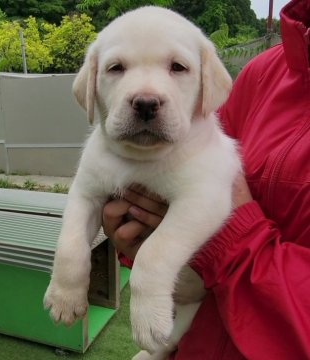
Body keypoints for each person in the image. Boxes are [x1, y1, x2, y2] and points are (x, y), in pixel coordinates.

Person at [102, 0, 310, 358]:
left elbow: (214, 207)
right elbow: (175, 175)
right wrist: (141, 228)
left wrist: (232, 241)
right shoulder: (266, 70)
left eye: (178, 67)